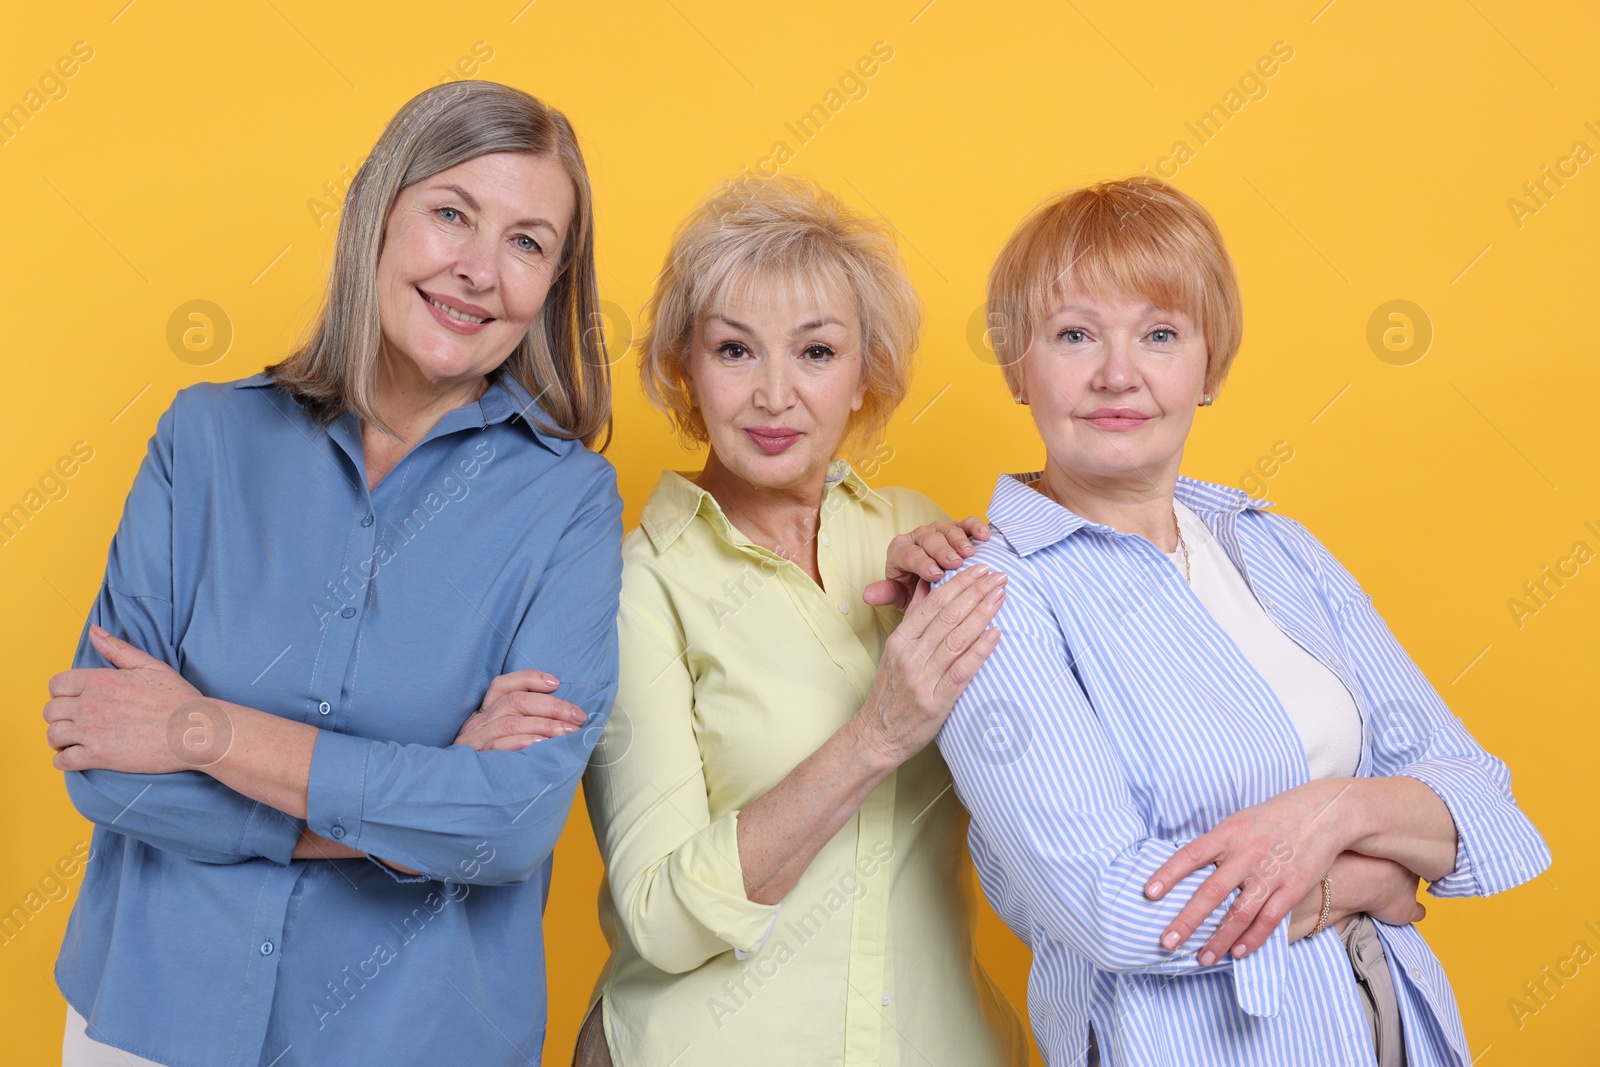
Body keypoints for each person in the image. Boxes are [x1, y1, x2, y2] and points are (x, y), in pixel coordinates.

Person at [42, 81, 620, 1067]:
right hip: (147, 1018)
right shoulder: (205, 438)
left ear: (554, 282)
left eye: (526, 242)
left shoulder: (570, 501)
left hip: (417, 1037)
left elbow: (509, 825)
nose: (479, 271)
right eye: (451, 214)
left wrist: (205, 729)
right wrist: (409, 810)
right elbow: (104, 761)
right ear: (373, 214)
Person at [931, 177, 1550, 1066]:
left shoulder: (1275, 546)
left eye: (1159, 334)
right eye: (1074, 335)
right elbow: (1114, 907)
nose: (1118, 373)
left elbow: (1480, 800)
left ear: (1209, 366)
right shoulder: (988, 592)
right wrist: (1363, 875)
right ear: (1016, 367)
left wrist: (1329, 812)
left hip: (1391, 1029)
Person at [468, 175, 1028, 1066]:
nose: (775, 395)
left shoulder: (917, 532)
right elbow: (659, 914)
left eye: (815, 352)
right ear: (685, 370)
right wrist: (876, 733)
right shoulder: (635, 585)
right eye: (736, 350)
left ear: (864, 375)